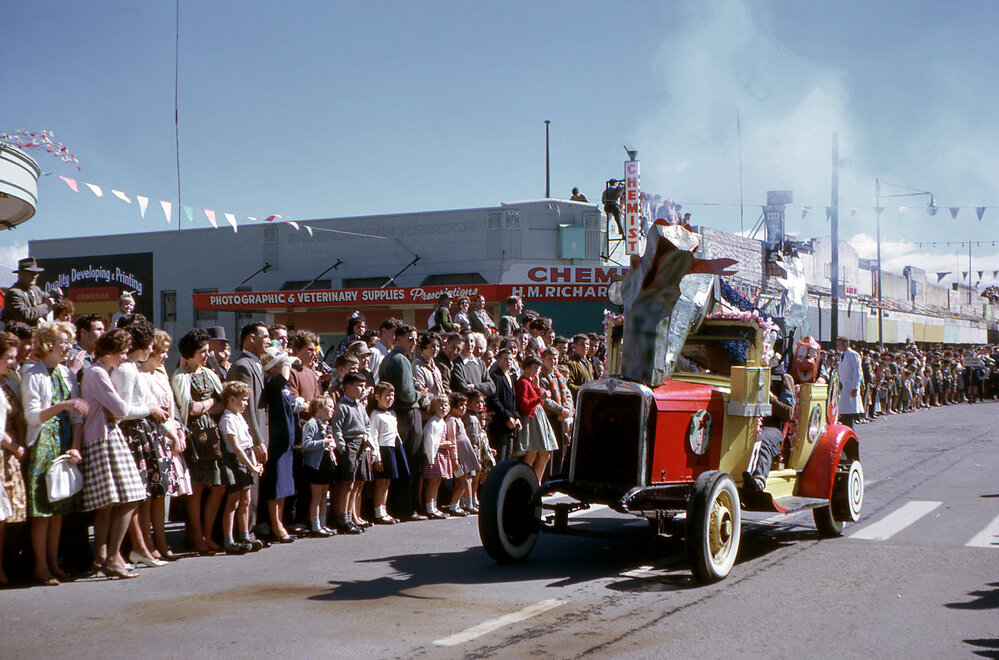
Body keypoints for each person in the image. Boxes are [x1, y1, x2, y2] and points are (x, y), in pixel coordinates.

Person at [81, 329, 168, 579]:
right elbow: (119, 408)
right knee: (131, 496)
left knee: (108, 503)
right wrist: (149, 408)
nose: (122, 358)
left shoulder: (100, 372)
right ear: (110, 352)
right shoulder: (98, 373)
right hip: (104, 438)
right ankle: (111, 557)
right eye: (120, 353)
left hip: (103, 436)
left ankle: (102, 556)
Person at [23, 321, 87, 585]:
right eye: (63, 342)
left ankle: (53, 561)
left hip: (63, 443)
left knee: (59, 507)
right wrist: (64, 404)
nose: (68, 347)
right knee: (43, 511)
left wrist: (76, 445)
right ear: (48, 343)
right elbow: (32, 417)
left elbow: (76, 417)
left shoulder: (65, 373)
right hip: (42, 444)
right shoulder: (33, 373)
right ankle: (41, 566)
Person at [112, 319, 177, 568]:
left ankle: (144, 547)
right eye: (150, 346)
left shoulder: (135, 369)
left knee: (146, 494)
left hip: (146, 434)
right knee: (138, 496)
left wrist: (170, 430)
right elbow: (122, 410)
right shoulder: (127, 371)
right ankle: (139, 547)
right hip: (134, 435)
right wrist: (149, 409)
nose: (152, 350)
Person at [171, 328, 226, 555]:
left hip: (212, 434)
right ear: (190, 353)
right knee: (196, 487)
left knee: (218, 486)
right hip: (194, 436)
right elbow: (188, 408)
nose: (207, 354)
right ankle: (196, 535)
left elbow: (223, 402)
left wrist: (206, 404)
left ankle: (206, 531)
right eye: (202, 351)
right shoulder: (180, 376)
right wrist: (208, 404)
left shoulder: (210, 374)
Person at [139, 329, 190, 559]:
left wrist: (177, 432)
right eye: (161, 351)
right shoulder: (141, 375)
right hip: (147, 436)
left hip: (164, 438)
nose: (165, 356)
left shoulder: (160, 375)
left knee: (160, 495)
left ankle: (161, 540)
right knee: (147, 495)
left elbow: (170, 411)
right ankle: (146, 544)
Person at [378, 325, 424, 521]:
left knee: (402, 461)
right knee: (411, 462)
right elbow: (406, 394)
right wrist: (420, 393)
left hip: (396, 414)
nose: (413, 343)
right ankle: (407, 508)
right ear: (398, 339)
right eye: (410, 339)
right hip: (407, 414)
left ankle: (399, 506)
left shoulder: (388, 359)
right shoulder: (401, 360)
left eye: (415, 340)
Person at [218, 380, 264, 554]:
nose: (245, 404)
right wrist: (251, 465)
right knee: (233, 502)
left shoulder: (239, 417)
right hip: (236, 461)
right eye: (243, 400)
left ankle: (245, 536)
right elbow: (236, 447)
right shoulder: (228, 419)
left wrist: (255, 463)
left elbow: (248, 444)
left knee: (246, 500)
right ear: (231, 399)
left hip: (247, 458)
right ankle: (228, 540)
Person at [260, 347, 297, 543]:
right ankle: (275, 525)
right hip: (276, 440)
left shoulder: (283, 386)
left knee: (284, 485)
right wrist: (286, 363)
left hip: (287, 440)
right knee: (276, 485)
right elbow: (282, 377)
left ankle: (281, 522)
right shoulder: (271, 382)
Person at [743, 365, 796, 497]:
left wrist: (770, 397)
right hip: (746, 423)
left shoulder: (782, 378)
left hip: (772, 428)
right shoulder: (744, 370)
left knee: (762, 440)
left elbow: (788, 413)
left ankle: (759, 479)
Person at [330, 372, 370, 534]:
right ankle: (343, 518)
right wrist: (342, 448)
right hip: (349, 444)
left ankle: (352, 516)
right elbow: (337, 429)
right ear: (347, 387)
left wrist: (367, 437)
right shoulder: (342, 406)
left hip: (361, 443)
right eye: (359, 386)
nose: (363, 389)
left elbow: (366, 425)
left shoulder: (360, 406)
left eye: (364, 386)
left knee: (358, 481)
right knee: (348, 483)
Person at [0, 331, 24, 586]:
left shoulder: (7, 384)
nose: (13, 362)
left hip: (8, 457)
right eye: (8, 357)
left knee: (5, 519)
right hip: (4, 452)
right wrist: (15, 446)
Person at [515, 356, 559, 482]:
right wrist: (540, 398)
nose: (537, 372)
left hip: (538, 418)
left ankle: (535, 482)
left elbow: (541, 402)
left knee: (544, 454)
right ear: (527, 367)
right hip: (530, 419)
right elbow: (523, 404)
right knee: (531, 453)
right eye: (535, 368)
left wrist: (538, 388)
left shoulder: (531, 381)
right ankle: (525, 482)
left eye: (539, 369)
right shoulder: (522, 382)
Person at [368, 382, 407, 525]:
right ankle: (378, 513)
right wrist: (377, 457)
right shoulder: (375, 414)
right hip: (383, 449)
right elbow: (373, 436)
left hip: (392, 448)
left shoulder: (391, 413)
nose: (390, 398)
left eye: (392, 395)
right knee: (381, 482)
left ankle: (384, 510)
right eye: (386, 395)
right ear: (378, 396)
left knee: (387, 482)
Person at [300, 395, 337, 537]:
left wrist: (331, 445)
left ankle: (323, 524)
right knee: (316, 496)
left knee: (323, 495)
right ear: (318, 408)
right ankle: (315, 526)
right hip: (315, 464)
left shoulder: (326, 424)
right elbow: (306, 444)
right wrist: (323, 443)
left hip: (326, 461)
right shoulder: (311, 424)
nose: (332, 410)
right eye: (329, 407)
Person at [446, 393, 479, 516]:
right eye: (460, 405)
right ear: (453, 406)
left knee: (463, 480)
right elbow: (452, 439)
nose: (463, 408)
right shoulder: (452, 420)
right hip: (458, 456)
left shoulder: (458, 419)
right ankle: (453, 506)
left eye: (465, 405)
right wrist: (454, 459)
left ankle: (457, 505)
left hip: (464, 453)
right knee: (462, 481)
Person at [421, 396, 454, 519]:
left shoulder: (441, 422)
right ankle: (430, 509)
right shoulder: (433, 423)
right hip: (434, 456)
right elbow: (428, 442)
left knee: (437, 482)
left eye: (446, 405)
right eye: (440, 405)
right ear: (434, 408)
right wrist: (443, 445)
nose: (443, 408)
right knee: (432, 483)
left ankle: (434, 507)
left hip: (441, 455)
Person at [4, 257, 59, 327]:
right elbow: (25, 315)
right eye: (32, 273)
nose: (35, 276)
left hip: (36, 334)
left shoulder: (36, 289)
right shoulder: (13, 293)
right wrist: (46, 305)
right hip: (20, 335)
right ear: (21, 274)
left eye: (36, 274)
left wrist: (56, 296)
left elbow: (48, 297)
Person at [487, 349, 521, 461]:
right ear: (498, 360)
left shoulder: (511, 377)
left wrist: (516, 418)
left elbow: (513, 401)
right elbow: (494, 400)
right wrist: (507, 417)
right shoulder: (496, 377)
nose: (509, 362)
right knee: (500, 459)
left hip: (510, 426)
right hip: (499, 424)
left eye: (511, 359)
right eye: (506, 359)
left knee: (508, 459)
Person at [67, 314, 105, 381]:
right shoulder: (72, 355)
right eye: (99, 329)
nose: (103, 333)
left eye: (103, 329)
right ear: (84, 332)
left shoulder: (102, 356)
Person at [837, 336, 863, 427]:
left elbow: (857, 371)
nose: (838, 347)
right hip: (843, 388)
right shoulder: (842, 356)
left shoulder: (853, 354)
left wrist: (855, 388)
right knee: (844, 415)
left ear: (846, 344)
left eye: (840, 345)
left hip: (850, 388)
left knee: (848, 417)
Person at [368, 318, 400, 385]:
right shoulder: (373, 353)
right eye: (394, 333)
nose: (396, 337)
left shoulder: (392, 355)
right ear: (383, 331)